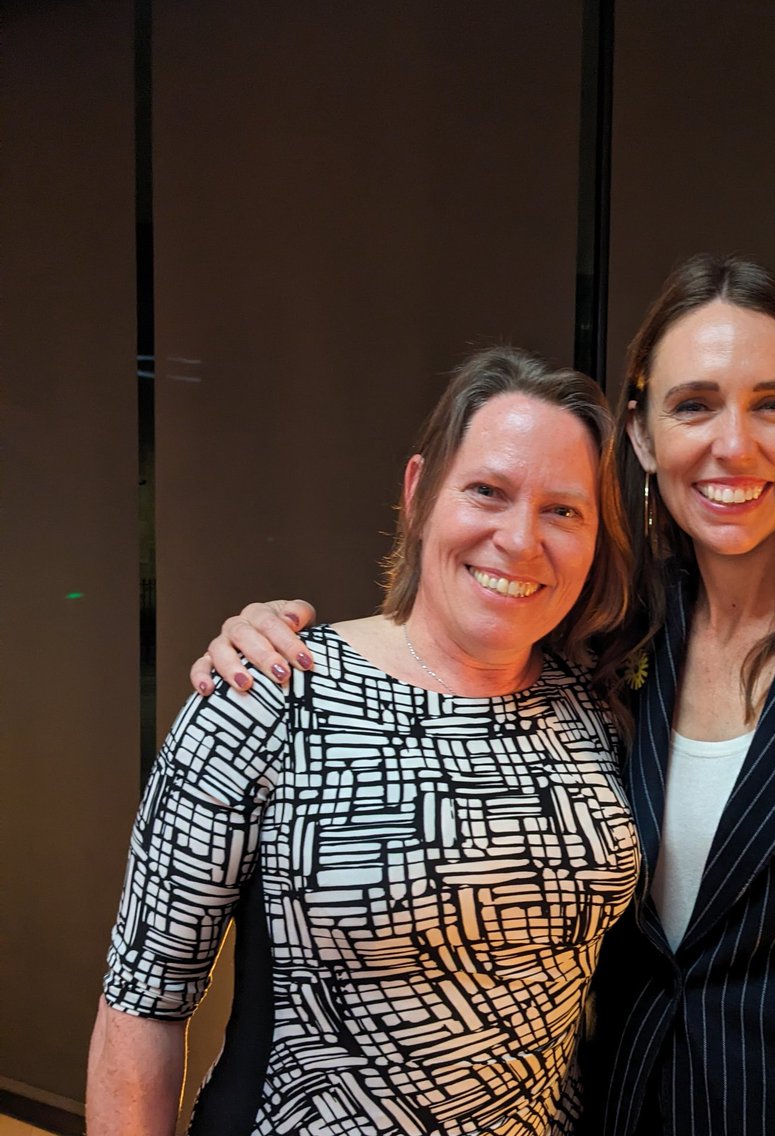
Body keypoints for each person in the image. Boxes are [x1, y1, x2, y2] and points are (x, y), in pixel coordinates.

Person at [195, 255, 775, 1136]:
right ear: (640, 432)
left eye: (774, 404)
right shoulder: (603, 626)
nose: (733, 444)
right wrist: (274, 636)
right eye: (695, 403)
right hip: (629, 1107)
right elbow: (441, 642)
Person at [87, 347, 641, 1136]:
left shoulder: (595, 706)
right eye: (487, 491)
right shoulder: (269, 691)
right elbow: (143, 1002)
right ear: (419, 494)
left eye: (563, 510)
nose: (520, 539)